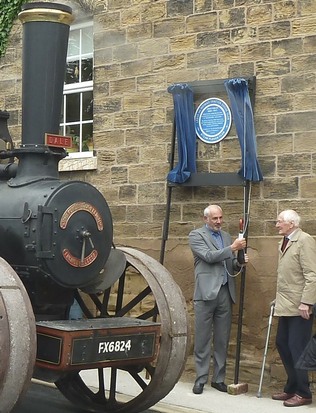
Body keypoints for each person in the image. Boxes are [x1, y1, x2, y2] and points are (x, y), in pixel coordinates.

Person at [189, 204, 247, 395]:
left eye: (220, 218)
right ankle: (200, 379)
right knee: (203, 339)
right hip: (205, 293)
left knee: (222, 339)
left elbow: (230, 264)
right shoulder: (196, 236)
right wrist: (232, 248)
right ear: (206, 219)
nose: (219, 222)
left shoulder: (227, 237)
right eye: (215, 218)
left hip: (225, 292)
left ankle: (219, 379)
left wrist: (240, 261)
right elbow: (209, 256)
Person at [272, 209, 316, 407]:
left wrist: (307, 302)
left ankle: (303, 392)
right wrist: (277, 299)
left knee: (297, 348)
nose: (276, 225)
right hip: (286, 304)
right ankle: (291, 387)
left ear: (291, 223)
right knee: (282, 343)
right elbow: (288, 276)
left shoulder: (305, 240)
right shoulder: (284, 241)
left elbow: (312, 274)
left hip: (300, 307)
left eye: (279, 221)